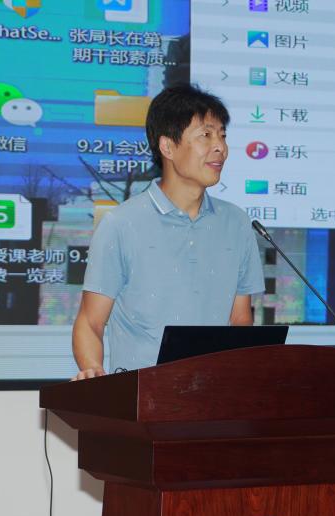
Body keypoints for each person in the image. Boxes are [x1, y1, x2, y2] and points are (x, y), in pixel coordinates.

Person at [72, 84, 264, 379]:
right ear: (168, 147)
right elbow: (90, 322)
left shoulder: (237, 223)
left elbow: (240, 320)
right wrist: (92, 370)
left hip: (214, 392)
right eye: (206, 135)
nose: (220, 148)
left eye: (223, 135)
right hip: (142, 394)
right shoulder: (121, 223)